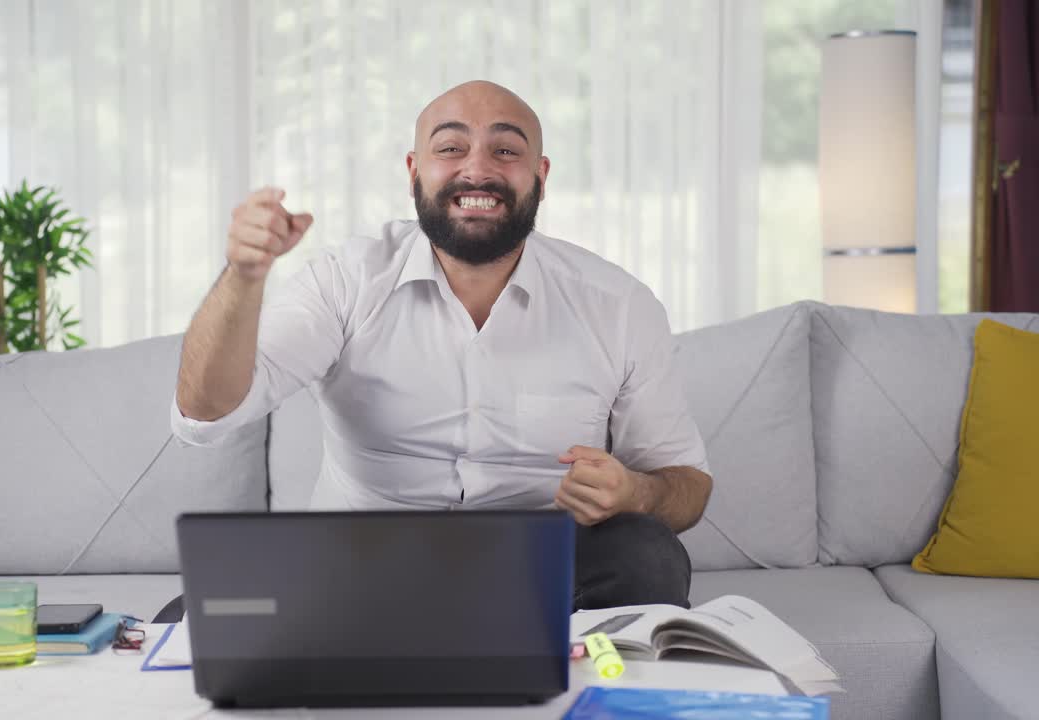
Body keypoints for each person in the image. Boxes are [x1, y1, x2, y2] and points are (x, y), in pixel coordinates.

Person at [155, 80, 711, 623]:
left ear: (541, 176)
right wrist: (244, 275)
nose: (478, 168)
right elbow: (205, 415)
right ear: (414, 171)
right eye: (450, 148)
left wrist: (636, 492)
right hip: (355, 566)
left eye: (506, 150)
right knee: (192, 617)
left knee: (647, 554)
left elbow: (687, 486)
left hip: (539, 573)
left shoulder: (618, 305)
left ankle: (569, 672)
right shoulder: (346, 280)